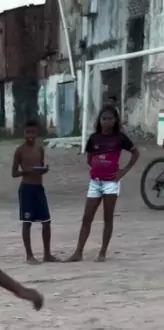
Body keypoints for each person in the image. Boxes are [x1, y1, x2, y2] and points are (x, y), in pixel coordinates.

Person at [68, 106, 139, 262]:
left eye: (110, 119)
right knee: (87, 217)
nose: (107, 122)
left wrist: (124, 171)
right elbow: (89, 158)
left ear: (115, 120)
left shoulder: (120, 138)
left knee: (108, 217)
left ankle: (102, 252)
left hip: (111, 183)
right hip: (95, 182)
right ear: (99, 121)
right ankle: (78, 252)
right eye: (104, 119)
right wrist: (97, 167)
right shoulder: (94, 138)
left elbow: (135, 152)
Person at [12, 119, 58, 264]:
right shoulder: (20, 151)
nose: (30, 136)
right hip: (26, 188)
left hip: (39, 188)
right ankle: (29, 256)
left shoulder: (40, 150)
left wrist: (44, 170)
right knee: (27, 222)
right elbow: (14, 173)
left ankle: (47, 254)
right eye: (27, 132)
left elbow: (40, 168)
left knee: (46, 221)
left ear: (37, 132)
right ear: (24, 133)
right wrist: (26, 171)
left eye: (32, 132)